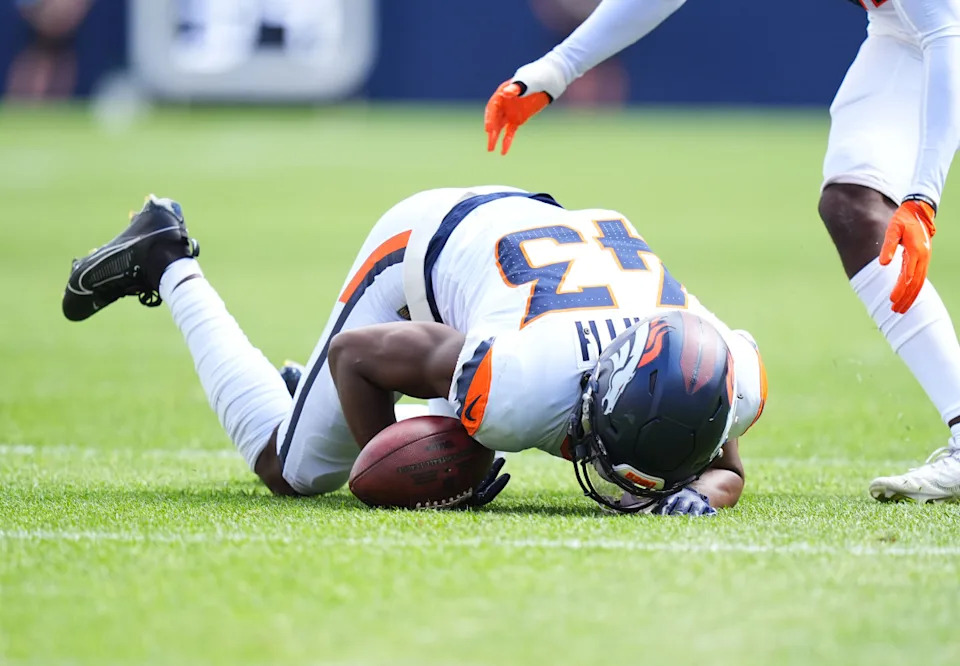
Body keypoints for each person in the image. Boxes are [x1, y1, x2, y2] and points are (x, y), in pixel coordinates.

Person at [484, 0, 960, 503]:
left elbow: (947, 31)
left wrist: (923, 196)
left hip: (943, 28)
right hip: (905, 30)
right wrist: (557, 69)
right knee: (852, 208)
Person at [62, 188, 766, 515]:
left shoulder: (722, 376)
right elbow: (359, 358)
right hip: (427, 246)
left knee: (457, 398)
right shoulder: (522, 383)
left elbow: (724, 464)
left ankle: (306, 394)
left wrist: (703, 492)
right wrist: (389, 469)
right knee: (294, 468)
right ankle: (164, 256)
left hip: (532, 259)